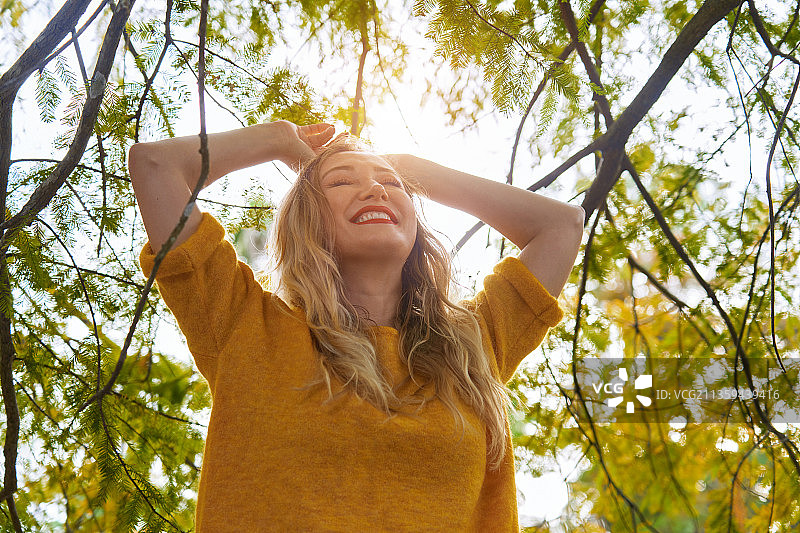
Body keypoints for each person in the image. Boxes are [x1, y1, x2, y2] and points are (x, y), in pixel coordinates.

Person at [129, 120, 584, 532]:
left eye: (391, 185)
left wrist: (415, 170)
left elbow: (561, 225)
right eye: (342, 181)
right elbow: (155, 165)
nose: (375, 191)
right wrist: (279, 140)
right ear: (306, 220)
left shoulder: (472, 350)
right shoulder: (243, 323)